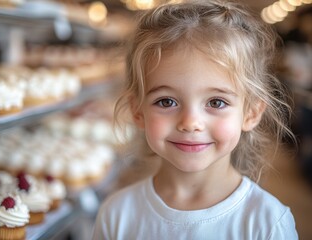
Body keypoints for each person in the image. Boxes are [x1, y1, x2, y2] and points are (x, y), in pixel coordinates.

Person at [92, 0, 299, 239]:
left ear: (251, 112)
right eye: (166, 101)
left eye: (216, 102)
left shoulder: (267, 224)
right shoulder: (117, 215)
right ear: (138, 111)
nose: (190, 122)